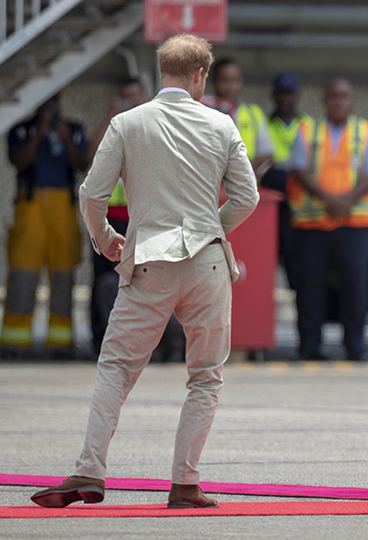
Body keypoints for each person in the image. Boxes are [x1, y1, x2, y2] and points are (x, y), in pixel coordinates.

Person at [30, 34, 259, 509]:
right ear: (201, 74)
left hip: (149, 261)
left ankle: (90, 469)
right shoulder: (221, 124)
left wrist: (107, 240)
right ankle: (185, 483)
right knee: (205, 376)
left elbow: (91, 195)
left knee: (116, 367)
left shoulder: (126, 123)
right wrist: (210, 229)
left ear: (163, 72)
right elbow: (247, 197)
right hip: (209, 263)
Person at [288, 78, 368, 361]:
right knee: (309, 287)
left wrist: (345, 201)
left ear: (352, 100)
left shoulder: (365, 131)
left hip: (353, 224)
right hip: (312, 224)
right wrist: (331, 200)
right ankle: (309, 346)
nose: (339, 101)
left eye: (344, 96)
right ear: (324, 100)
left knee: (355, 286)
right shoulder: (307, 130)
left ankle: (355, 346)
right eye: (333, 96)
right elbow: (300, 169)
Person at [0, 95, 87, 357]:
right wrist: (39, 131)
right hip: (31, 205)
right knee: (23, 274)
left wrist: (65, 139)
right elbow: (18, 161)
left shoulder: (72, 129)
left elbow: (81, 164)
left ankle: (60, 342)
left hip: (64, 207)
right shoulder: (21, 128)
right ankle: (14, 341)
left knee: (63, 275)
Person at [87, 79, 149, 356]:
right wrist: (109, 117)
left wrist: (144, 111)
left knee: (142, 278)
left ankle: (142, 342)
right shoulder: (112, 127)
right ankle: (99, 338)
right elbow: (90, 157)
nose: (128, 104)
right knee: (102, 277)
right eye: (123, 98)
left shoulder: (151, 123)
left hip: (141, 216)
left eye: (133, 98)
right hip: (109, 217)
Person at [263, 71, 311, 291]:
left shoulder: (309, 126)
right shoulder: (263, 125)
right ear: (273, 95)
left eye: (289, 93)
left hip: (299, 201)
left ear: (297, 96)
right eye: (281, 93)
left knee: (298, 260)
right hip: (269, 201)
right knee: (266, 257)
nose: (285, 99)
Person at [208, 58, 273, 181]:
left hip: (244, 186)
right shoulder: (202, 113)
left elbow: (267, 153)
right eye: (224, 80)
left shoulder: (254, 113)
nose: (230, 86)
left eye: (235, 80)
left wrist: (245, 165)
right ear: (213, 81)